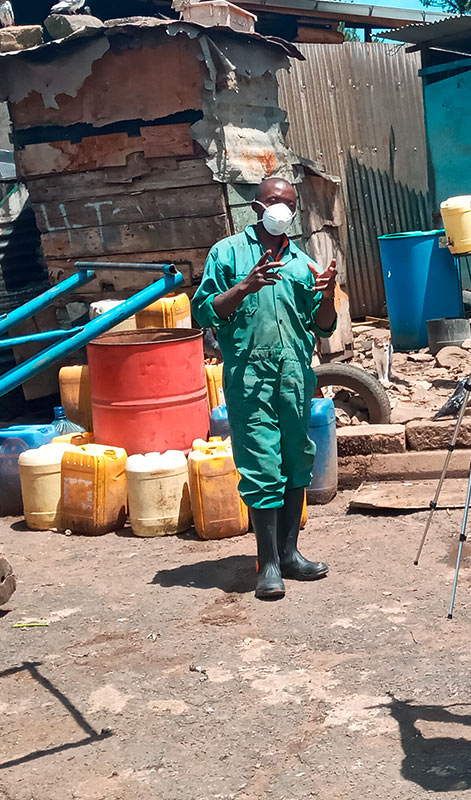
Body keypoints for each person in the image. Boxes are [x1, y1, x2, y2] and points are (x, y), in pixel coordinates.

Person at [193, 176, 338, 601]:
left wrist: (328, 294)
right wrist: (245, 286)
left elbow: (323, 325)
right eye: (275, 201)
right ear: (257, 206)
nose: (282, 210)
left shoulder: (302, 263)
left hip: (294, 376)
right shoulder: (227, 254)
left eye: (289, 204)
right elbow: (205, 312)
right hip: (250, 378)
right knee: (261, 465)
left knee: (296, 459)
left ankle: (290, 554)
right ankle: (268, 563)